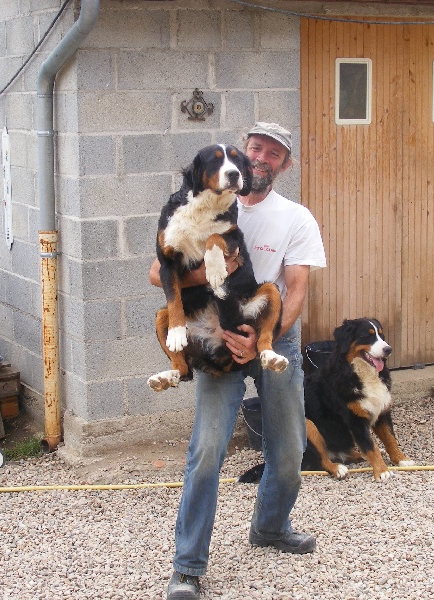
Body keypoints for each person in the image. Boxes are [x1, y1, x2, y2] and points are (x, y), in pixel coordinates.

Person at [148, 122, 327, 599]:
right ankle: (187, 567)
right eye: (256, 149)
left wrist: (264, 338)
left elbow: (297, 289)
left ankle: (269, 527)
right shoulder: (202, 208)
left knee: (289, 450)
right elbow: (156, 272)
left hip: (271, 334)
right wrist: (211, 270)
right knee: (207, 451)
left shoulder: (296, 218)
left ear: (283, 165)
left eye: (274, 154)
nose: (262, 158)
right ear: (241, 158)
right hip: (216, 332)